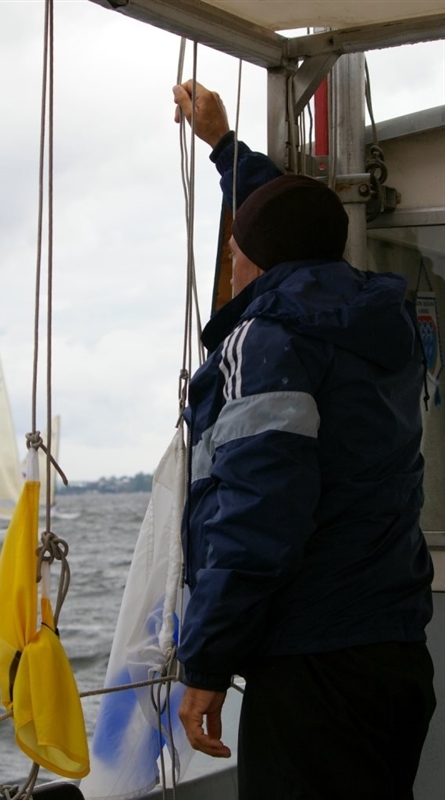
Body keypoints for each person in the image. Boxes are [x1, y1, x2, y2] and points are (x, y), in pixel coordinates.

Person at [172, 80, 436, 799]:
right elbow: (293, 224)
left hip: (314, 668)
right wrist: (224, 148)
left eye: (235, 251)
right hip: (394, 652)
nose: (231, 264)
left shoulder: (269, 340)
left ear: (254, 263)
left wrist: (206, 661)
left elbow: (260, 510)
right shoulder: (377, 323)